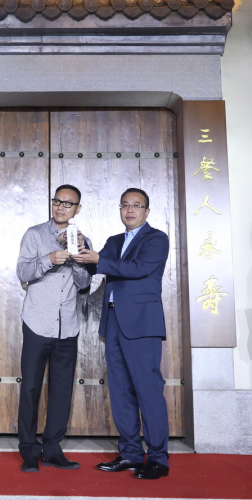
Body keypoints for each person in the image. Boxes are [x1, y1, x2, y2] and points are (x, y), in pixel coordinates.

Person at [75, 188, 170, 480]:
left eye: (136, 205)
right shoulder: (114, 241)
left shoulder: (156, 239)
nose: (130, 210)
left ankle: (158, 458)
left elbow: (138, 268)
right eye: (125, 205)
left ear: (146, 211)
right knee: (120, 391)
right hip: (114, 322)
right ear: (119, 209)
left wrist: (98, 259)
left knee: (148, 391)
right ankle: (130, 453)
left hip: (142, 324)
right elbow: (96, 266)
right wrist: (79, 247)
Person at [15, 184, 93, 473]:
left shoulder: (82, 240)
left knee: (61, 390)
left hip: (67, 326)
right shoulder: (35, 234)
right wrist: (49, 259)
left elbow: (84, 284)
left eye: (68, 203)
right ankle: (28, 449)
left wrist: (76, 258)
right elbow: (22, 272)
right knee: (31, 388)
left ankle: (52, 449)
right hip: (37, 321)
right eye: (57, 201)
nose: (61, 207)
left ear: (77, 209)